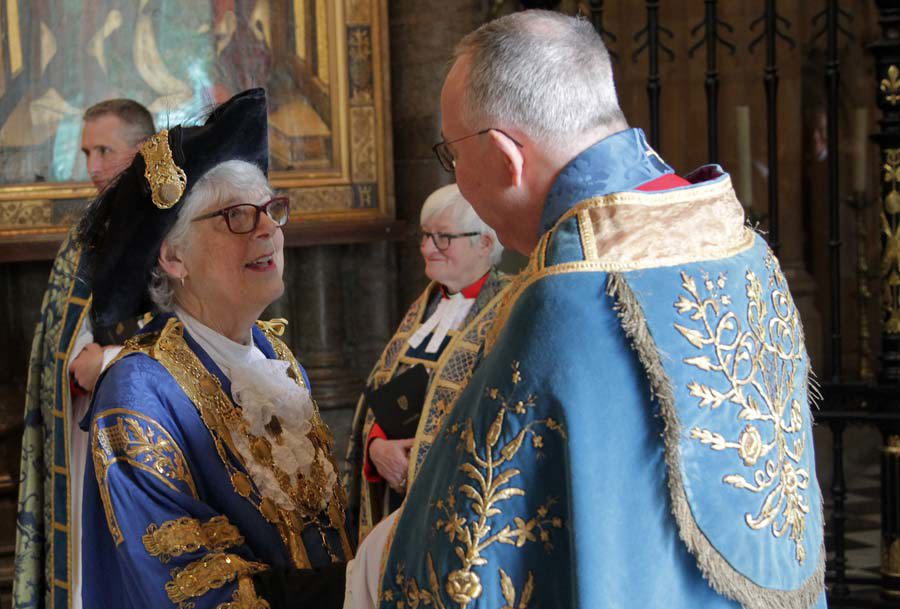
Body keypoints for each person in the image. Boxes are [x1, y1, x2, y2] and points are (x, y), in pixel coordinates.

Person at [372, 11, 826, 609]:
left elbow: (468, 556)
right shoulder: (741, 244)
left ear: (508, 156)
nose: (455, 171)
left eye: (451, 151)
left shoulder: (566, 295)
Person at [75, 88, 349, 608]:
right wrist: (358, 587)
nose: (267, 227)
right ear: (174, 258)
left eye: (271, 209)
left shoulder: (277, 360)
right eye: (237, 216)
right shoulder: (138, 394)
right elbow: (191, 587)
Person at [13, 99, 154, 609]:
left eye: (104, 151)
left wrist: (112, 357)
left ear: (142, 151)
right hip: (81, 424)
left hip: (149, 431)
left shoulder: (176, 221)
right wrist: (72, 366)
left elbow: (198, 329)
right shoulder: (86, 229)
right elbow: (62, 329)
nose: (92, 167)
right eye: (85, 152)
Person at [345, 184, 509, 542]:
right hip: (395, 499)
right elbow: (379, 394)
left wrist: (417, 457)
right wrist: (376, 447)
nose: (426, 248)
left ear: (485, 242)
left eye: (442, 238)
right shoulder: (424, 308)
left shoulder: (510, 309)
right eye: (425, 236)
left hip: (458, 507)